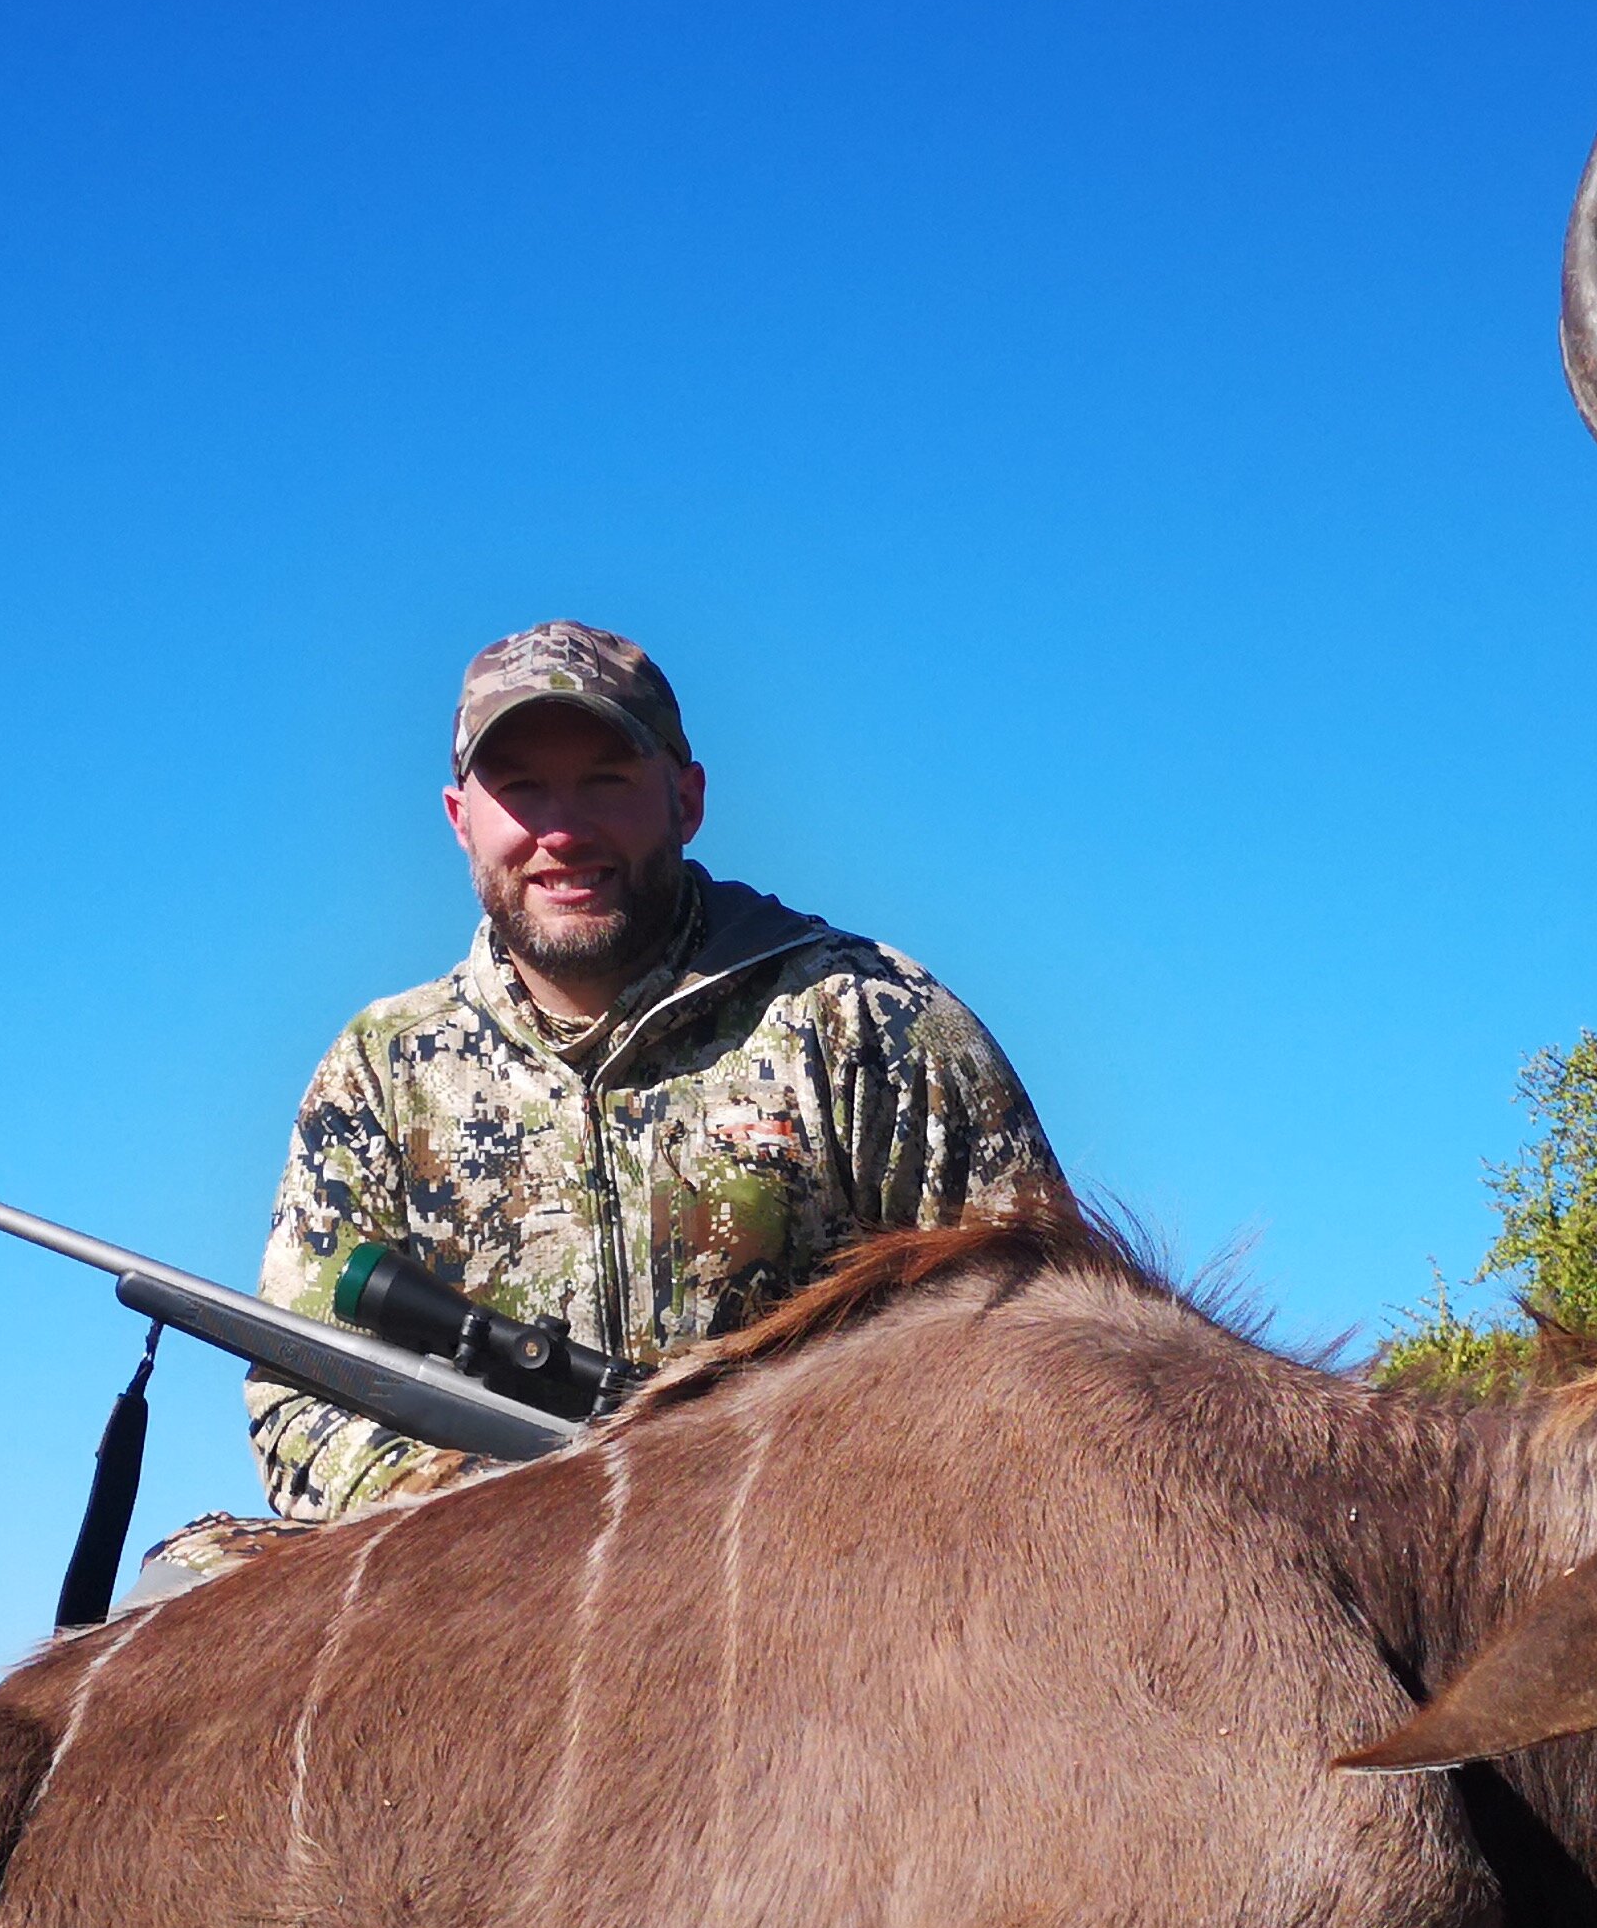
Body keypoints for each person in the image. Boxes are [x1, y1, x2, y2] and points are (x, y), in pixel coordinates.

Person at [214, 620, 1062, 1533]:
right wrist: (507, 1513)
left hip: (816, 1568)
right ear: (461, 820)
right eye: (522, 789)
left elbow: (1036, 1347)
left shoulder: (864, 1017)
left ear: (687, 801)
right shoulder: (380, 1070)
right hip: (485, 1574)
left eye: (606, 783)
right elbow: (301, 1396)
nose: (563, 832)